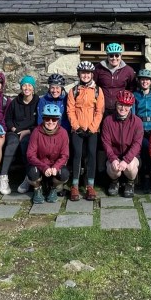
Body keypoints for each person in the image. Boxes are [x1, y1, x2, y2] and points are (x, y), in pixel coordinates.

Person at [18, 73, 70, 194]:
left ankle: (59, 178)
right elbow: (41, 119)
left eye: (57, 87)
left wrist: (60, 133)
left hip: (62, 131)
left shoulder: (67, 99)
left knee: (68, 148)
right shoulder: (43, 100)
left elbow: (68, 118)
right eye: (52, 87)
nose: (55, 90)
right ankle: (30, 176)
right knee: (28, 143)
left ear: (62, 88)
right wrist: (49, 131)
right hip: (44, 131)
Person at [66, 61, 105, 201]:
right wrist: (77, 127)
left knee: (91, 155)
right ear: (79, 74)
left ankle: (90, 185)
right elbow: (70, 110)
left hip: (92, 129)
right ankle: (75, 185)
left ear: (92, 74)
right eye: (83, 73)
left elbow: (99, 111)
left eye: (88, 73)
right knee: (76, 154)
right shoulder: (74, 91)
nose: (86, 75)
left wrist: (92, 128)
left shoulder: (97, 91)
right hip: (77, 130)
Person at [0, 75, 38, 195]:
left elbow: (39, 121)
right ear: (21, 87)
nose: (27, 88)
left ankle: (28, 177)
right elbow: (8, 119)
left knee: (26, 144)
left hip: (30, 131)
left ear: (33, 88)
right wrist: (15, 130)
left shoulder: (38, 101)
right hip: (15, 131)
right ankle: (3, 177)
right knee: (12, 143)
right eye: (24, 85)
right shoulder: (15, 102)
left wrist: (27, 131)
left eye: (29, 85)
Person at [101, 90, 144, 198]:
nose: (123, 108)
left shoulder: (137, 122)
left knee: (130, 167)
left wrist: (126, 160)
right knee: (114, 168)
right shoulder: (108, 121)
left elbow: (137, 144)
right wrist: (113, 158)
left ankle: (130, 183)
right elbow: (106, 142)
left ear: (131, 106)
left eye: (127, 105)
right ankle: (114, 181)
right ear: (116, 104)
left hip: (131, 156)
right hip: (114, 155)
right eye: (120, 104)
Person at [26, 103, 70, 204]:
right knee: (32, 172)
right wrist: (43, 167)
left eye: (54, 119)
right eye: (47, 119)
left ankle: (53, 188)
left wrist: (56, 166)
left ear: (58, 120)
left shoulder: (63, 133)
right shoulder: (36, 132)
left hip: (54, 166)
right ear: (43, 118)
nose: (50, 122)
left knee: (64, 174)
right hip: (40, 165)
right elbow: (30, 154)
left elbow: (65, 155)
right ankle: (37, 189)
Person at [132, 69, 151, 194]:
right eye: (143, 79)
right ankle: (145, 178)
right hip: (141, 128)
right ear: (139, 81)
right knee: (145, 150)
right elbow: (133, 114)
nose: (145, 82)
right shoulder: (135, 96)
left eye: (147, 80)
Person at [94, 42, 136, 117]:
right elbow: (93, 85)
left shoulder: (128, 70)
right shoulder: (98, 68)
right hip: (102, 108)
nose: (114, 58)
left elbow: (132, 88)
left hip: (120, 108)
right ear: (107, 56)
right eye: (111, 55)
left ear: (121, 56)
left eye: (117, 55)